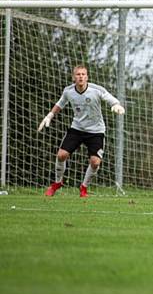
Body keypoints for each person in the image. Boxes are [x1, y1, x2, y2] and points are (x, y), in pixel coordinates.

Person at [38, 65, 126, 198]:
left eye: (83, 74)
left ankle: (83, 188)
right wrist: (49, 116)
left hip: (96, 131)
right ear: (74, 77)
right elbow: (60, 104)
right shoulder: (68, 91)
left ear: (87, 77)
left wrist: (116, 105)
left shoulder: (96, 90)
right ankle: (57, 183)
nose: (81, 77)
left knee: (95, 162)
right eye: (78, 74)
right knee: (61, 155)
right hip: (77, 129)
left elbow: (111, 99)